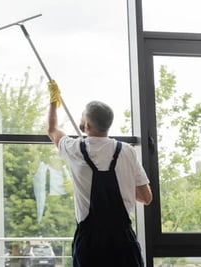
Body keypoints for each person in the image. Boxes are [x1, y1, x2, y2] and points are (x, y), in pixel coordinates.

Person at [47, 80, 152, 267]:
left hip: (90, 245)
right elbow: (146, 197)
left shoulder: (75, 148)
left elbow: (52, 130)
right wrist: (124, 187)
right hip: (123, 244)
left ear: (86, 125)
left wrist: (53, 101)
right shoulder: (127, 151)